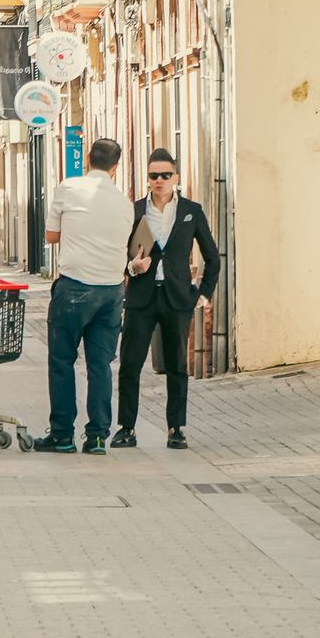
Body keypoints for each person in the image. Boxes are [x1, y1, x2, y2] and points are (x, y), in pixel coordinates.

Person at [114, 150, 221, 450]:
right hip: (141, 298)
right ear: (147, 179)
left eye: (165, 175)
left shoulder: (191, 211)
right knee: (130, 364)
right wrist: (131, 267)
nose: (159, 181)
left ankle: (176, 429)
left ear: (175, 177)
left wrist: (203, 293)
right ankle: (126, 428)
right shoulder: (134, 211)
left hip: (177, 298)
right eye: (153, 176)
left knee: (176, 366)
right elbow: (117, 255)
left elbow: (213, 258)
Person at [36, 138, 134, 456]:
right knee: (100, 365)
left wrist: (77, 232)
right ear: (115, 168)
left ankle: (63, 435)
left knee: (62, 361)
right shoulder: (125, 203)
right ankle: (96, 437)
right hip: (111, 292)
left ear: (87, 158)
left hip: (74, 288)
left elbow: (51, 235)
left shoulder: (69, 187)